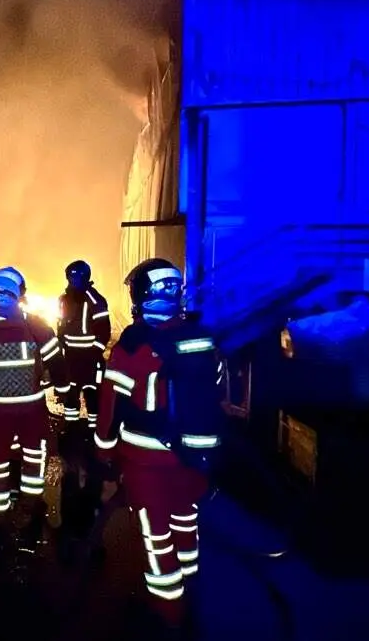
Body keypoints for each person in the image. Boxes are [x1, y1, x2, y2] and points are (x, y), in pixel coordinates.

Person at [94, 258, 227, 634]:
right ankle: (192, 587)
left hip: (146, 460)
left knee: (156, 533)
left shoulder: (131, 348)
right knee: (186, 519)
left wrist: (104, 454)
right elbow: (216, 384)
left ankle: (167, 610)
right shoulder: (201, 337)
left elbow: (110, 407)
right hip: (192, 456)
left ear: (139, 295)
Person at [0, 267, 70, 537]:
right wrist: (63, 390)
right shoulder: (35, 324)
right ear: (19, 294)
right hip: (31, 407)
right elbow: (56, 361)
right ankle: (30, 503)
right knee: (34, 452)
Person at [56, 260, 111, 426]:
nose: (73, 281)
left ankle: (94, 430)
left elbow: (104, 330)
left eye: (77, 277)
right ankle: (71, 429)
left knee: (92, 394)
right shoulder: (63, 300)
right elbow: (60, 325)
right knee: (70, 394)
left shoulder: (96, 300)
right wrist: (60, 349)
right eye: (71, 278)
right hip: (71, 357)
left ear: (86, 277)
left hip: (90, 357)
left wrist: (95, 352)